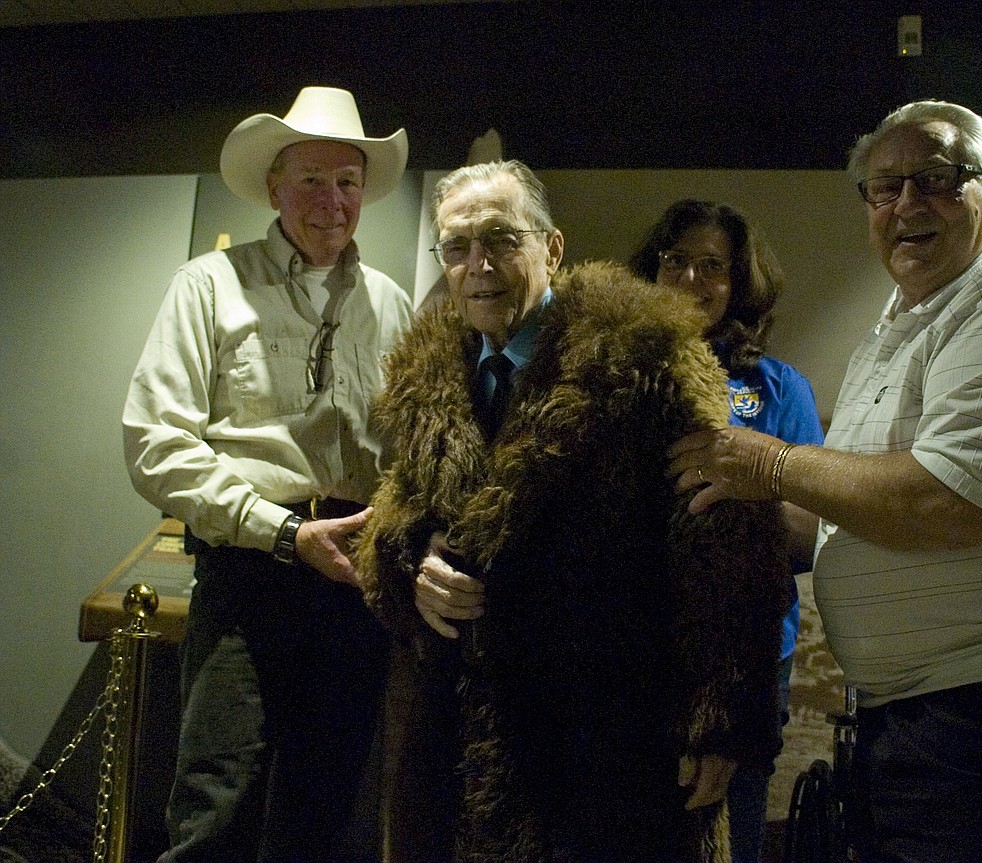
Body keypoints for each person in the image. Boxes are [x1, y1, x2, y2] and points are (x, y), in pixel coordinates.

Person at [668, 100, 982, 863]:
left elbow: (946, 503)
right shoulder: (905, 324)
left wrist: (766, 462)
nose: (906, 205)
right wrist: (708, 518)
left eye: (935, 179)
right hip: (933, 720)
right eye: (884, 187)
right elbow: (848, 518)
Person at [353, 160, 790, 862]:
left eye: (500, 239)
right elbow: (393, 518)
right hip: (462, 738)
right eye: (457, 247)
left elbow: (726, 538)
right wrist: (412, 563)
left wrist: (722, 715)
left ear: (551, 248)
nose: (478, 265)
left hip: (612, 744)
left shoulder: (646, 353)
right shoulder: (430, 376)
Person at [122, 86, 413, 863]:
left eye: (348, 181)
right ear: (275, 188)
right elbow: (156, 442)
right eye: (312, 180)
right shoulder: (207, 285)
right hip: (250, 572)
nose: (332, 199)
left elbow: (416, 453)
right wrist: (282, 532)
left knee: (326, 813)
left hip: (353, 582)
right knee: (218, 808)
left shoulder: (393, 306)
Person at [629, 199, 823, 863]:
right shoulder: (610, 377)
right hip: (626, 658)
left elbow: (810, 537)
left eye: (712, 265)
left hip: (742, 667)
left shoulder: (777, 387)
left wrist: (749, 477)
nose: (690, 279)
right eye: (675, 260)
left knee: (723, 843)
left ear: (737, 283)